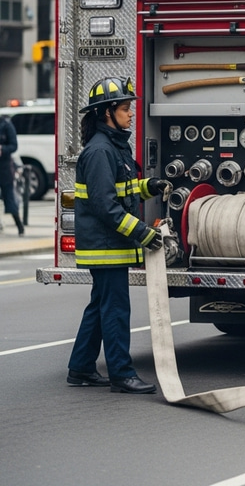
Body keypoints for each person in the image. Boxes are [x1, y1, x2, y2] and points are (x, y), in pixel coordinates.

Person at [67, 76, 169, 394]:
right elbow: (105, 206)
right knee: (114, 309)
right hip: (106, 246)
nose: (131, 114)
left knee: (100, 305)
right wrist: (142, 233)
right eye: (125, 108)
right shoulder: (100, 152)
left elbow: (120, 191)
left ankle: (81, 368)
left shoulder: (113, 147)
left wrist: (146, 186)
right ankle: (121, 374)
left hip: (109, 244)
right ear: (107, 112)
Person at [0, 113, 25, 235]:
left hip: (4, 168)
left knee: (9, 197)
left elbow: (14, 145)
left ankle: (19, 225)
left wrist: (2, 149)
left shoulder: (6, 125)